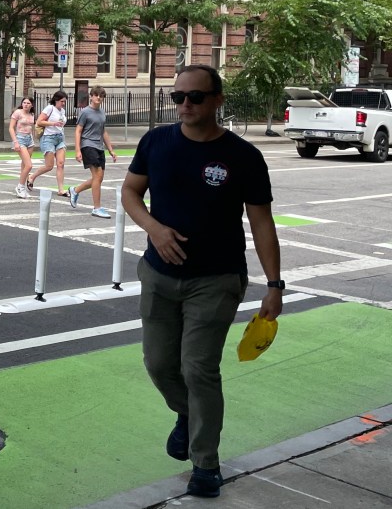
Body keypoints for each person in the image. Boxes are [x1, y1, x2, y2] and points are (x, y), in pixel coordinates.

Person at [121, 64, 282, 499]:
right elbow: (130, 193)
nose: (185, 105)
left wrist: (274, 285)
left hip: (217, 278)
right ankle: (188, 415)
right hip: (158, 274)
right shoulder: (156, 142)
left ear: (217, 100)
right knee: (159, 365)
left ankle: (205, 463)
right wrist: (154, 229)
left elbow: (262, 222)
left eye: (195, 97)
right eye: (178, 98)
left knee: (199, 369)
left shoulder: (243, 156)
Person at [69, 85, 117, 217]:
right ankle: (97, 208)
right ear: (91, 96)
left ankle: (75, 190)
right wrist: (77, 150)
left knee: (99, 178)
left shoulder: (102, 113)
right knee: (98, 175)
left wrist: (110, 150)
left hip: (99, 146)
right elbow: (78, 131)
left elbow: (103, 131)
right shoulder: (85, 112)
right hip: (88, 145)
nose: (99, 98)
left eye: (101, 96)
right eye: (96, 95)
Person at [28, 91, 70, 196]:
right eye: (62, 101)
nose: (63, 103)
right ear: (56, 100)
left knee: (61, 164)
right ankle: (32, 177)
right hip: (48, 138)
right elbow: (39, 121)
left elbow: (61, 124)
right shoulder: (49, 108)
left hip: (59, 138)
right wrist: (53, 123)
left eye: (65, 101)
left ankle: (61, 189)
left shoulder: (63, 111)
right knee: (49, 166)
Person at [8, 96, 38, 198]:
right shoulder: (18, 113)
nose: (25, 104)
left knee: (24, 165)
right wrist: (15, 142)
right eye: (24, 102)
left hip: (29, 140)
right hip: (20, 138)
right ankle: (20, 187)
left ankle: (23, 188)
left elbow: (33, 127)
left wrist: (34, 137)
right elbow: (11, 128)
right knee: (29, 165)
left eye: (28, 103)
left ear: (31, 105)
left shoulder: (32, 114)